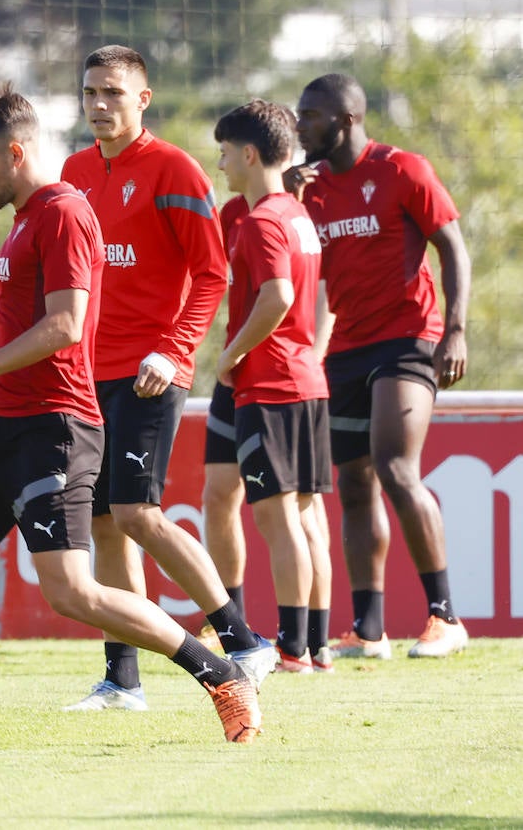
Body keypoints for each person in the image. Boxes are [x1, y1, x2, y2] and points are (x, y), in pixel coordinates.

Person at [0, 84, 261, 744]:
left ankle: (219, 672)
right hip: (0, 424)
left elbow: (66, 326)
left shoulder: (63, 213)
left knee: (72, 593)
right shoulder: (26, 218)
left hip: (55, 431)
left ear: (15, 153)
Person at [59, 45, 273, 712]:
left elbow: (212, 275)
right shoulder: (72, 172)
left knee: (138, 513)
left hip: (153, 371)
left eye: (114, 94)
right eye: (91, 92)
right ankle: (122, 678)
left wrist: (175, 349)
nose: (100, 105)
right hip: (87, 372)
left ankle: (243, 639)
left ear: (142, 98)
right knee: (103, 522)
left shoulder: (174, 168)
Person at [286, 73, 471, 659]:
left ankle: (445, 617)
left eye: (309, 116)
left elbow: (453, 247)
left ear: (344, 120)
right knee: (355, 484)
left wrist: (457, 330)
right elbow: (288, 262)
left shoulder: (401, 170)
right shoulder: (308, 191)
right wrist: (285, 196)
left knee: (396, 468)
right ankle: (369, 631)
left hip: (410, 338)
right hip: (345, 349)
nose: (299, 126)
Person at [213, 100, 334, 673]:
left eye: (224, 153)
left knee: (277, 519)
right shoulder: (297, 216)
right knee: (307, 516)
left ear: (250, 153)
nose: (221, 166)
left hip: (271, 385)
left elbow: (279, 296)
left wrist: (231, 355)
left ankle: (290, 649)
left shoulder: (261, 220)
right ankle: (315, 646)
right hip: (307, 380)